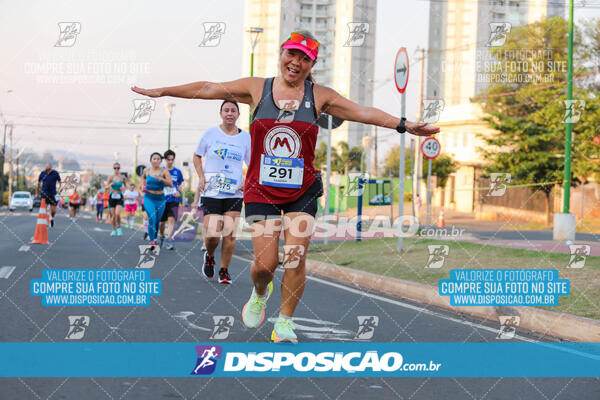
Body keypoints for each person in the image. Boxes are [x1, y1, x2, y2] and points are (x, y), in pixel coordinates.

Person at [131, 30, 438, 342]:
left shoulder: (320, 96)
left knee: (295, 256)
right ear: (281, 54)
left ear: (312, 64)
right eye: (292, 54)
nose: (296, 62)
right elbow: (209, 87)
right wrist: (163, 92)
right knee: (265, 264)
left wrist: (404, 124)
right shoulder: (257, 88)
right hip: (260, 190)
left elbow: (362, 111)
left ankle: (286, 322)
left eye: (305, 59)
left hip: (302, 190)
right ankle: (260, 292)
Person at [193, 100, 251, 284]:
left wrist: (246, 182)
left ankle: (224, 270)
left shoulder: (245, 138)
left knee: (230, 233)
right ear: (221, 113)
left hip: (234, 192)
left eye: (233, 110)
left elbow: (252, 164)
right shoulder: (211, 133)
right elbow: (197, 156)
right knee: (212, 234)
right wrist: (201, 177)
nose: (229, 113)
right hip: (212, 191)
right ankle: (210, 256)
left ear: (238, 115)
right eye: (226, 110)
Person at [138, 152, 173, 246]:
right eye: (154, 158)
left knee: (157, 220)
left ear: (161, 161)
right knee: (152, 217)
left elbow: (170, 184)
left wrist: (162, 179)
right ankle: (152, 240)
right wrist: (142, 187)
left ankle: (155, 238)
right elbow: (142, 180)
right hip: (149, 198)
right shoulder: (146, 170)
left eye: (158, 159)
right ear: (150, 160)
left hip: (160, 199)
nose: (156, 160)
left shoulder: (164, 171)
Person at [159, 149, 184, 250]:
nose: (170, 161)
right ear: (165, 160)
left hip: (174, 200)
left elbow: (181, 183)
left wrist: (179, 191)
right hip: (162, 200)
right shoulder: (161, 171)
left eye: (172, 160)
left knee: (171, 220)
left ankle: (170, 241)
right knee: (162, 222)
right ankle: (161, 236)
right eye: (168, 159)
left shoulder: (177, 172)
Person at [35, 163, 61, 227]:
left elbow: (60, 182)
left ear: (51, 168)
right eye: (46, 168)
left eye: (48, 168)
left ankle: (52, 218)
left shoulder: (55, 173)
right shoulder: (43, 173)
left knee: (53, 210)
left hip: (53, 193)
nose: (47, 169)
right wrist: (37, 193)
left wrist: (60, 191)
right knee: (44, 208)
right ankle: (46, 221)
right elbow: (38, 184)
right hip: (44, 194)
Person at [106, 163, 127, 236]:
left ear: (120, 168)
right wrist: (109, 185)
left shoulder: (122, 177)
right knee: (113, 215)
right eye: (115, 168)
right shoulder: (110, 177)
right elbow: (106, 187)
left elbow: (126, 186)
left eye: (118, 168)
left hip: (119, 196)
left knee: (117, 213)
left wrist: (123, 188)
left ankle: (119, 228)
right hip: (112, 196)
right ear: (113, 168)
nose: (116, 169)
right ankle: (114, 229)